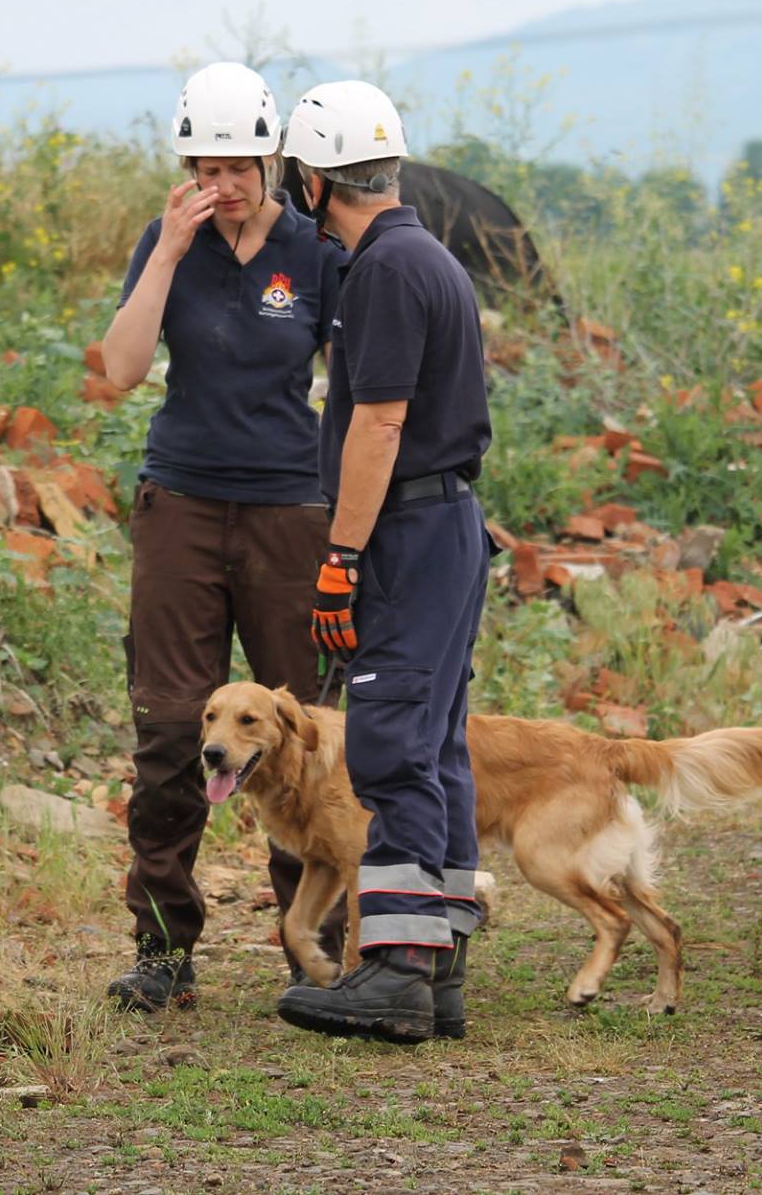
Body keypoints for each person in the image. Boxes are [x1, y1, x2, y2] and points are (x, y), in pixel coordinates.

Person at [100, 62, 349, 1012]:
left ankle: (316, 946)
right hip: (185, 506)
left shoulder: (314, 250)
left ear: (273, 157)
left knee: (306, 730)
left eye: (242, 162)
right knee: (170, 727)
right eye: (206, 163)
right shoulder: (167, 244)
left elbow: (362, 382)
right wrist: (165, 253)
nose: (226, 180)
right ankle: (164, 949)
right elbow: (122, 369)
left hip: (292, 509)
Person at [273, 80, 495, 1044]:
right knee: (437, 746)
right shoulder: (428, 257)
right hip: (445, 530)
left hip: (408, 533)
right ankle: (434, 968)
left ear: (315, 181)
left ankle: (396, 971)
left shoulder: (385, 271)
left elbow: (380, 420)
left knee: (393, 745)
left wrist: (340, 556)